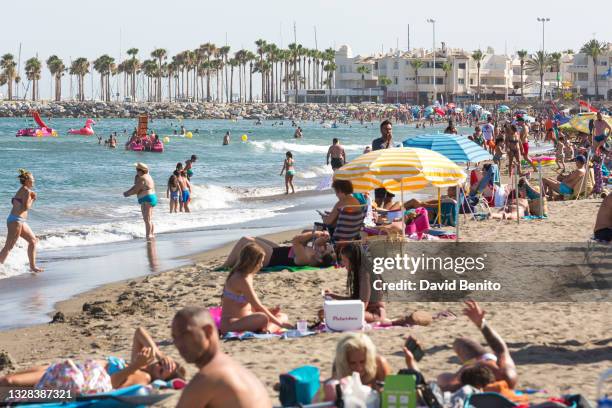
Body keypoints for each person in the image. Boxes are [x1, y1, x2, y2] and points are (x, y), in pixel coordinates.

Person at [0, 327, 185, 389]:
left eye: (161, 370)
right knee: (5, 381)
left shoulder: (143, 377)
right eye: (161, 363)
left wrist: (135, 365)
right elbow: (139, 332)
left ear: (160, 379)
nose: (157, 366)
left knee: (9, 382)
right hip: (64, 369)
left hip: (69, 378)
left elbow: (111, 384)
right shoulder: (141, 366)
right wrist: (159, 353)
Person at [172, 307, 272, 408]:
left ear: (208, 331)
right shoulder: (233, 367)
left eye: (185, 335)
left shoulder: (207, 379)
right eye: (174, 337)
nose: (178, 343)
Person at [436, 300, 518, 392]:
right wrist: (481, 324)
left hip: (466, 374)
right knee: (460, 342)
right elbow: (501, 349)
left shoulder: (457, 386)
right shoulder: (506, 377)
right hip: (486, 360)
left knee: (441, 378)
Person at [219, 243, 293, 334]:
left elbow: (251, 305)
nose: (261, 265)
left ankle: (268, 331)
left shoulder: (248, 275)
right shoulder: (241, 279)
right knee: (263, 317)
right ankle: (270, 328)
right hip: (231, 324)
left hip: (247, 319)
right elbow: (258, 307)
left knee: (282, 316)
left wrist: (270, 311)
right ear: (252, 262)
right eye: (260, 262)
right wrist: (281, 325)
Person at [0, 169, 43, 272]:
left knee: (33, 241)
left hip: (18, 220)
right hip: (16, 221)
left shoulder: (21, 189)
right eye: (33, 179)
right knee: (9, 247)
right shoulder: (27, 191)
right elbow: (26, 207)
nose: (34, 180)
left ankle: (33, 267)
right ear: (27, 180)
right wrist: (33, 199)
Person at [221, 232, 336, 270]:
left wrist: (315, 234)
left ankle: (225, 266)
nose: (323, 246)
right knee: (253, 238)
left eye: (325, 249)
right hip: (276, 251)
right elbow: (304, 239)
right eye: (326, 245)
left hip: (271, 257)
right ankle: (234, 262)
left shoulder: (305, 259)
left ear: (320, 258)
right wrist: (319, 236)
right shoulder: (313, 254)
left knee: (245, 240)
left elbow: (296, 240)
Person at [123, 163, 157, 239]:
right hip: (150, 197)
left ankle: (148, 235)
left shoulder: (142, 178)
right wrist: (127, 191)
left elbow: (136, 190)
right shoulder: (148, 176)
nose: (136, 171)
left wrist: (127, 194)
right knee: (149, 219)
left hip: (147, 199)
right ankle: (151, 234)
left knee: (147, 219)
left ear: (141, 171)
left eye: (137, 170)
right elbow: (136, 186)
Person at [372, 120, 394, 206]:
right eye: (386, 129)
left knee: (389, 199)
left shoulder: (393, 143)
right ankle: (376, 217)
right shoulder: (376, 142)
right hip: (380, 175)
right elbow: (380, 156)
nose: (388, 131)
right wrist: (388, 142)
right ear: (381, 130)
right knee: (378, 200)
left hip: (391, 174)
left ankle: (386, 218)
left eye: (390, 129)